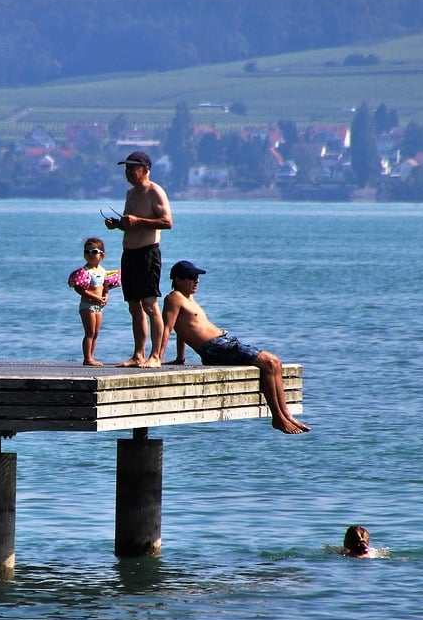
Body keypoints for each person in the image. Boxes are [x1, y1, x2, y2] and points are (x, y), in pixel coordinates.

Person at [157, 260, 310, 434]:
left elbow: (183, 329)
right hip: (215, 348)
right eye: (192, 277)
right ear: (178, 279)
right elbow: (167, 329)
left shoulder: (188, 298)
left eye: (197, 277)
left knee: (275, 362)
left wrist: (180, 358)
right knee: (269, 363)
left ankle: (286, 415)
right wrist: (158, 358)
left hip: (224, 343)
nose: (196, 281)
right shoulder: (173, 298)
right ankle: (277, 417)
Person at [105, 151, 173, 368]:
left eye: (132, 168)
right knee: (134, 307)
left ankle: (155, 356)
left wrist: (137, 221)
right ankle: (138, 355)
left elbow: (167, 222)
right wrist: (117, 224)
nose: (128, 172)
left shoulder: (155, 192)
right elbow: (130, 224)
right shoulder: (130, 194)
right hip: (129, 253)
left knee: (150, 305)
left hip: (147, 253)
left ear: (145, 170)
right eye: (126, 168)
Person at [68, 237, 112, 366]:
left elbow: (105, 287)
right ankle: (87, 358)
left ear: (102, 255)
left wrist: (105, 296)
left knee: (96, 333)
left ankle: (92, 356)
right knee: (90, 332)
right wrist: (95, 298)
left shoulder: (103, 271)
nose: (89, 255)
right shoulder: (84, 272)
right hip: (87, 305)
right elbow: (79, 289)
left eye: (93, 252)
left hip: (98, 306)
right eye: (86, 252)